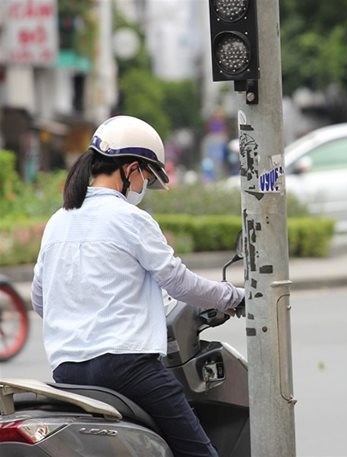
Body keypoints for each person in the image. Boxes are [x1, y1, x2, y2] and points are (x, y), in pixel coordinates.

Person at [31, 115, 244, 457]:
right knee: (200, 452)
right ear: (130, 169)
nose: (145, 185)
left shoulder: (59, 220)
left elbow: (40, 301)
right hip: (127, 368)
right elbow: (179, 282)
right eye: (147, 175)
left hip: (67, 371)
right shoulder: (131, 219)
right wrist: (233, 296)